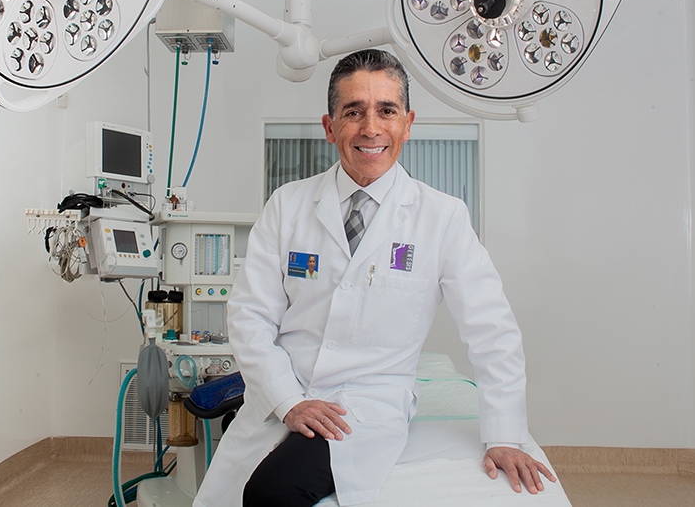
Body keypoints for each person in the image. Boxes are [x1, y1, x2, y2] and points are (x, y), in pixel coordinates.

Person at [192, 49, 555, 507]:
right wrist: (287, 400)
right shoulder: (287, 205)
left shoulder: (442, 217)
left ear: (407, 123)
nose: (371, 128)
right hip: (287, 392)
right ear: (330, 127)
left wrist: (504, 435)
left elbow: (491, 329)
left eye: (387, 111)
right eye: (353, 112)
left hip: (366, 405)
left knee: (271, 491)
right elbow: (250, 316)